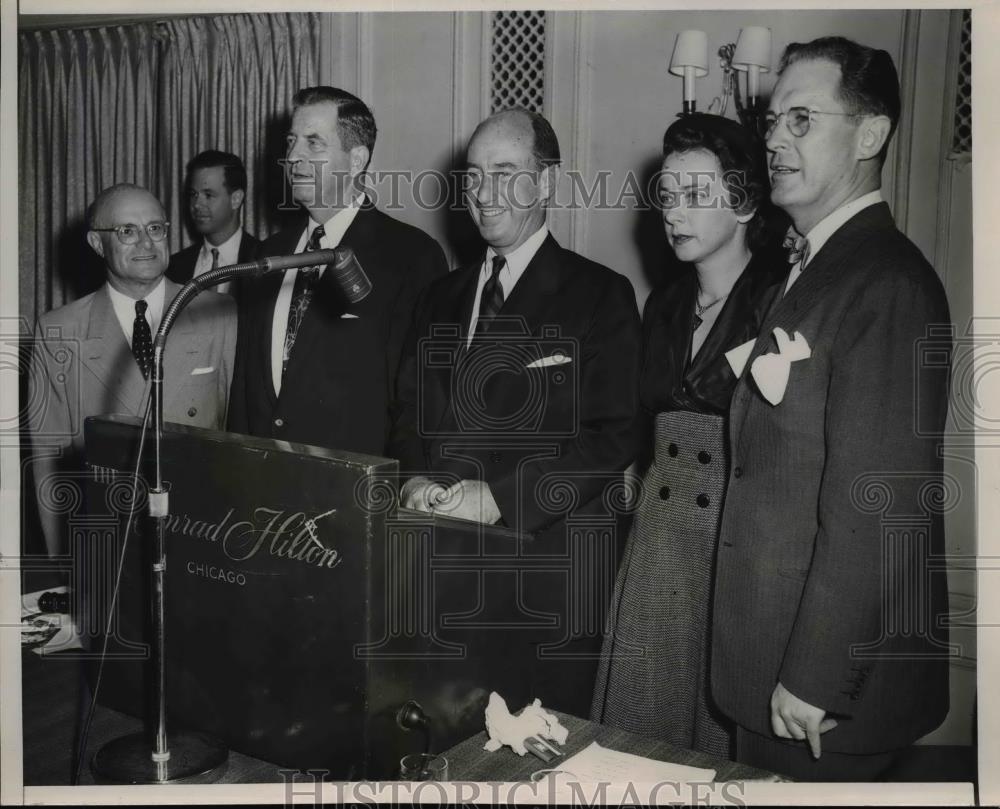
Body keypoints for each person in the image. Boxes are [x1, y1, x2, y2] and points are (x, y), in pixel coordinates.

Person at [711, 37, 952, 780]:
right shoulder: (819, 264)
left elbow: (877, 502)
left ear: (870, 134)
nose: (775, 138)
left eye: (802, 120)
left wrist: (817, 677)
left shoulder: (887, 281)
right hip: (775, 662)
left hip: (823, 700)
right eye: (773, 120)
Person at [389, 108, 642, 715]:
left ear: (547, 183)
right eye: (474, 176)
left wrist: (500, 497)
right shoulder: (439, 297)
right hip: (440, 570)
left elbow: (613, 439)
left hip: (542, 579)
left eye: (505, 171)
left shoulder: (600, 295)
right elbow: (405, 412)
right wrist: (415, 477)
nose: (484, 192)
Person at [590, 114, 786, 758]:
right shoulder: (665, 304)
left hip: (730, 543)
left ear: (744, 200)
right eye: (669, 197)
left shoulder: (781, 299)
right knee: (640, 727)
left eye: (697, 196)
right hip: (657, 541)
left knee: (710, 740)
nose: (676, 213)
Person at [227, 86, 448, 456]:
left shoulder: (411, 256)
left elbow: (419, 396)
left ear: (356, 159)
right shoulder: (268, 254)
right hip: (263, 483)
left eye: (314, 143)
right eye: (291, 141)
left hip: (352, 488)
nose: (293, 157)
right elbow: (245, 386)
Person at [28, 183, 237, 556]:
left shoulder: (219, 315)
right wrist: (68, 569)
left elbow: (239, 436)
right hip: (108, 544)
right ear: (96, 243)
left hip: (202, 539)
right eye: (127, 231)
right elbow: (49, 462)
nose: (146, 242)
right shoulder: (59, 331)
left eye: (156, 228)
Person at [166, 150, 260, 295]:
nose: (196, 204)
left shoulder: (264, 260)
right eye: (193, 194)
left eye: (208, 195)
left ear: (236, 199)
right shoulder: (174, 267)